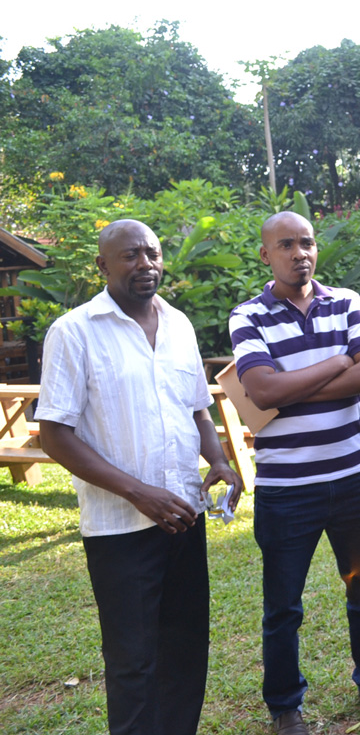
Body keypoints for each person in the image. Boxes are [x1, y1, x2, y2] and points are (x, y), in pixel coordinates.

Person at [37, 219, 243, 735]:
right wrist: (138, 493)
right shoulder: (74, 331)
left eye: (152, 253)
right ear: (102, 265)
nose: (145, 264)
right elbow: (54, 435)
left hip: (184, 519)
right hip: (120, 531)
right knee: (133, 660)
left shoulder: (179, 325)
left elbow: (197, 410)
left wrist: (218, 461)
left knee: (186, 649)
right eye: (130, 255)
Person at [230, 212, 360, 735]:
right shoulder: (248, 315)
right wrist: (337, 364)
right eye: (286, 245)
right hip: (285, 491)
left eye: (307, 243)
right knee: (283, 605)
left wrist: (292, 385)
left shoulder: (347, 302)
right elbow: (261, 391)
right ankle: (285, 707)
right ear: (266, 254)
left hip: (353, 480)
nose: (300, 253)